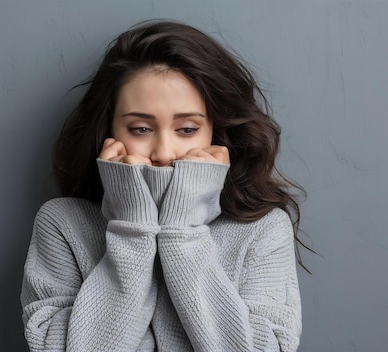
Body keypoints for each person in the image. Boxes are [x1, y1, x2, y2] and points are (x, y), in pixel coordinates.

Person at [20, 20, 303, 352]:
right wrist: (133, 227)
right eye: (140, 128)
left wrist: (182, 228)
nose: (164, 154)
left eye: (186, 129)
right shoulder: (62, 224)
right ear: (109, 130)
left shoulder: (262, 230)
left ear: (215, 130)